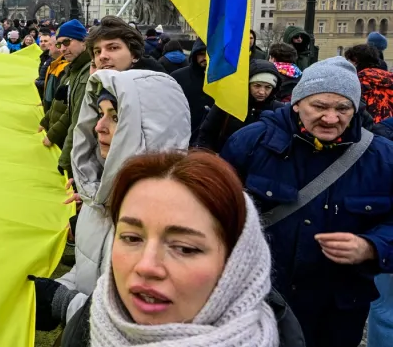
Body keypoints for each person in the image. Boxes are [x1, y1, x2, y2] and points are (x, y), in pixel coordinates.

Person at [221, 56, 393, 347]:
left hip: (338, 310)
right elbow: (214, 211)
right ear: (297, 103)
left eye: (342, 108)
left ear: (355, 109)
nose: (330, 118)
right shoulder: (251, 143)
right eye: (320, 106)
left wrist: (372, 246)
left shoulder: (383, 158)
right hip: (260, 299)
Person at [56, 150, 304, 347]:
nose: (146, 266)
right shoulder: (89, 322)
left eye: (185, 248)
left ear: (237, 263)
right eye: (131, 238)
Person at [31, 68, 191, 329]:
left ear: (150, 130)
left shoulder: (175, 218)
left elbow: (146, 323)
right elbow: (90, 273)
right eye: (100, 114)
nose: (99, 126)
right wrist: (61, 288)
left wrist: (64, 303)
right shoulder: (100, 196)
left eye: (115, 117)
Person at [195, 60, 284, 153]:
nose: (262, 92)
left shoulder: (278, 110)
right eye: (257, 86)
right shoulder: (227, 102)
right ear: (247, 84)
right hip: (223, 161)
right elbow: (207, 133)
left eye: (268, 87)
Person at [56, 19, 92, 176]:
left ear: (84, 42)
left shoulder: (86, 73)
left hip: (81, 162)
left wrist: (64, 162)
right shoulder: (74, 69)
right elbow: (70, 112)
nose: (63, 49)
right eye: (59, 45)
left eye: (67, 42)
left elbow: (78, 123)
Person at [171, 38, 214, 143]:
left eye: (209, 54)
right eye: (201, 54)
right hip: (185, 138)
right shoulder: (178, 77)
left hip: (213, 139)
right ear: (194, 55)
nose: (205, 58)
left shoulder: (223, 79)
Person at [344, 43, 393, 124]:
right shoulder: (389, 77)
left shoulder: (361, 79)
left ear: (356, 60)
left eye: (350, 60)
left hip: (371, 128)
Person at [36, 27, 55, 99]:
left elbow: (51, 82)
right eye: (41, 41)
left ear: (50, 43)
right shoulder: (43, 57)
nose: (43, 43)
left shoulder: (52, 58)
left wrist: (36, 82)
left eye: (45, 41)